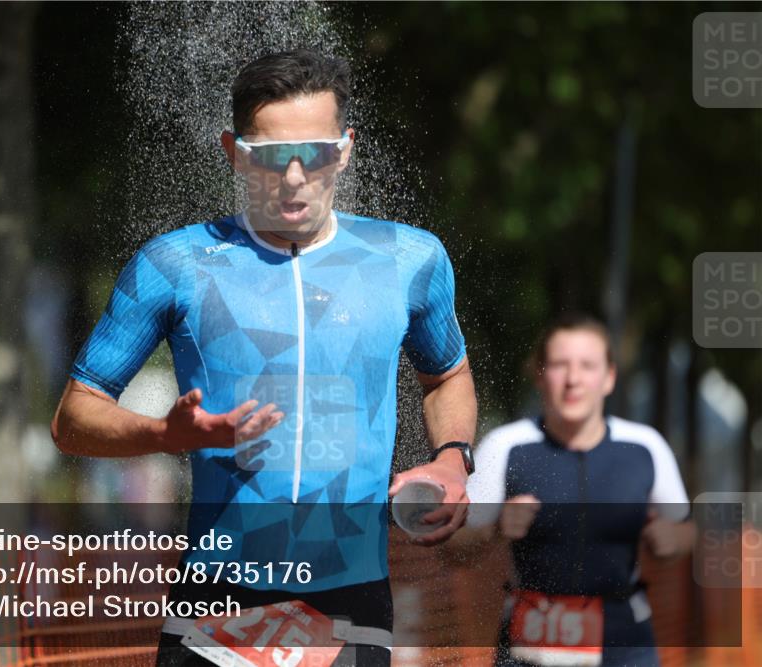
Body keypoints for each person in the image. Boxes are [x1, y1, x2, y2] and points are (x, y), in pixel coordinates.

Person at [52, 49, 477, 666]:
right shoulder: (175, 263)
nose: (297, 176)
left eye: (319, 152)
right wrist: (164, 434)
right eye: (273, 156)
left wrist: (452, 461)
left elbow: (448, 376)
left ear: (347, 146)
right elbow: (73, 419)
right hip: (218, 600)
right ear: (233, 151)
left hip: (350, 598)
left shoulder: (411, 260)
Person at [465, 313, 696, 667]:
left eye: (588, 365)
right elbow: (455, 548)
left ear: (609, 377)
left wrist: (670, 539)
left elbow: (687, 530)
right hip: (532, 640)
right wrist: (495, 528)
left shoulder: (645, 447)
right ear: (540, 374)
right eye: (560, 365)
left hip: (625, 640)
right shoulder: (504, 446)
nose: (573, 380)